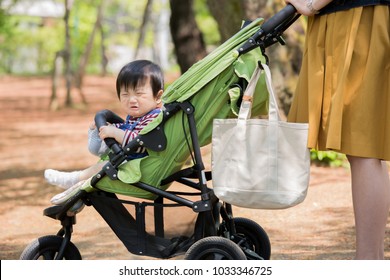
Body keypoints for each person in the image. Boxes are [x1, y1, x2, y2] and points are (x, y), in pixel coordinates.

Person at [285, 0, 390, 259]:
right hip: (351, 16)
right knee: (366, 149)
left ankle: (366, 261)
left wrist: (312, 2)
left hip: (358, 19)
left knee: (363, 147)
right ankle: (371, 258)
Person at [44, 59, 164, 191]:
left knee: (104, 166)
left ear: (158, 96)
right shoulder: (136, 117)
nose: (131, 100)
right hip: (129, 162)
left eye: (139, 94)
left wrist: (114, 132)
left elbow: (142, 142)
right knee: (104, 162)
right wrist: (104, 129)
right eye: (125, 94)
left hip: (141, 168)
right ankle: (77, 198)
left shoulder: (155, 118)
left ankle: (74, 179)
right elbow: (128, 130)